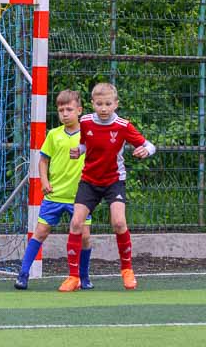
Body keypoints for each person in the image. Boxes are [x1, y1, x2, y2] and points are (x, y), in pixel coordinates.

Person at [65, 82, 155, 291]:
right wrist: (78, 150)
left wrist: (146, 151)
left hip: (114, 181)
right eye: (99, 104)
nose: (103, 108)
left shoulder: (123, 126)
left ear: (116, 104)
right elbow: (84, 143)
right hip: (89, 181)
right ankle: (73, 277)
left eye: (107, 104)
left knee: (118, 222)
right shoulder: (86, 122)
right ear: (92, 104)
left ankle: (127, 270)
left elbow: (149, 145)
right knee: (76, 223)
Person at [14, 90, 93, 292]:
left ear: (79, 110)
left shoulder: (88, 135)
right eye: (61, 110)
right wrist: (44, 181)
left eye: (69, 109)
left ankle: (83, 277)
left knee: (84, 236)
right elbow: (43, 160)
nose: (65, 113)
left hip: (81, 197)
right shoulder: (53, 135)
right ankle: (23, 275)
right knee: (40, 232)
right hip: (54, 195)